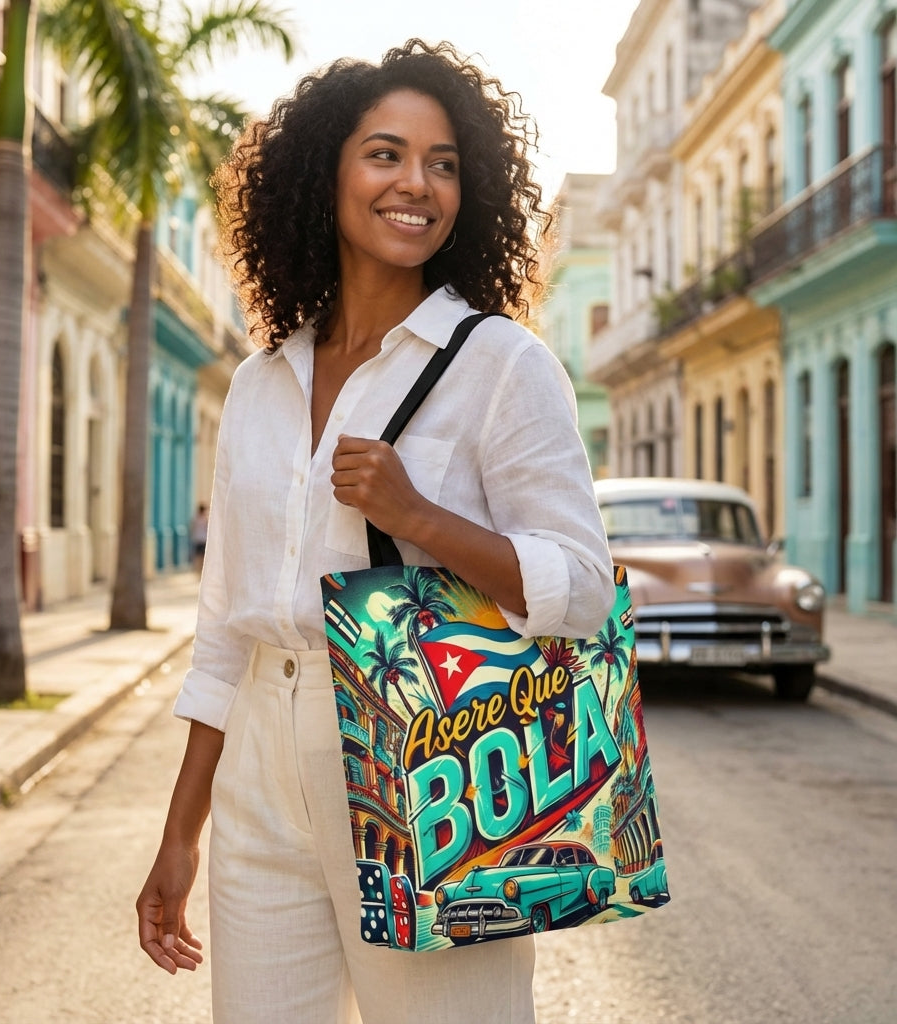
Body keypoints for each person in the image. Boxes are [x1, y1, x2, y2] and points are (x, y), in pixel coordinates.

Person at [136, 38, 615, 1024]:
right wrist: (181, 833)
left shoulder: (501, 365)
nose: (418, 184)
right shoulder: (262, 382)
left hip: (424, 751)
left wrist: (417, 516)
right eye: (386, 153)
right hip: (260, 767)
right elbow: (225, 629)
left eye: (443, 164)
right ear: (327, 173)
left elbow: (582, 585)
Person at [190, 503, 209, 572]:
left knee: (198, 555)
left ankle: (198, 569)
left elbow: (192, 528)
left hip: (197, 539)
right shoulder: (205, 519)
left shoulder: (195, 518)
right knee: (203, 555)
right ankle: (201, 569)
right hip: (203, 539)